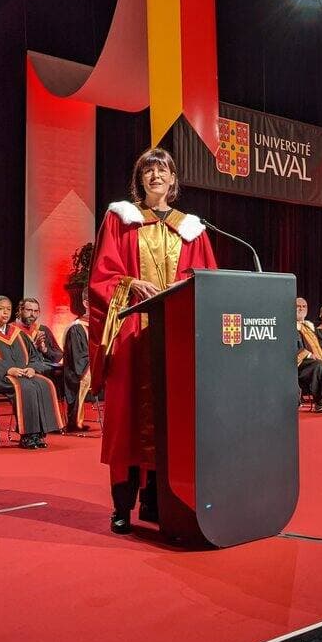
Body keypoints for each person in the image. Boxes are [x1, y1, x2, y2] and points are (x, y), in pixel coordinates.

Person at [88, 147, 217, 535]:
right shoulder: (121, 219)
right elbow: (102, 277)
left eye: (162, 170)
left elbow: (208, 281)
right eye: (148, 170)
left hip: (174, 338)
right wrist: (129, 284)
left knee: (172, 418)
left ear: (173, 180)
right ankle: (123, 507)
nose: (155, 176)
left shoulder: (192, 228)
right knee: (129, 419)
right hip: (132, 335)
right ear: (140, 179)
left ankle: (160, 501)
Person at [0, 295, 66, 450]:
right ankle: (27, 435)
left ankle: (39, 433)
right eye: (1, 309)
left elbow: (34, 356)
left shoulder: (17, 333)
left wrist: (33, 368)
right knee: (25, 387)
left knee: (44, 383)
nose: (5, 313)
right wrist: (8, 369)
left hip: (21, 375)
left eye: (8, 309)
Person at [61, 288, 93, 433]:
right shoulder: (78, 328)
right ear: (86, 303)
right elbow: (78, 359)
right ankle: (75, 421)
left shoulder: (105, 324)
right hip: (81, 370)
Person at [14, 297, 63, 389]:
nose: (32, 314)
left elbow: (58, 356)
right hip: (23, 370)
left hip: (44, 369)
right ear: (20, 310)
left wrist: (44, 350)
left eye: (36, 311)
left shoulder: (42, 329)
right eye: (29, 310)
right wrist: (34, 348)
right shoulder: (10, 331)